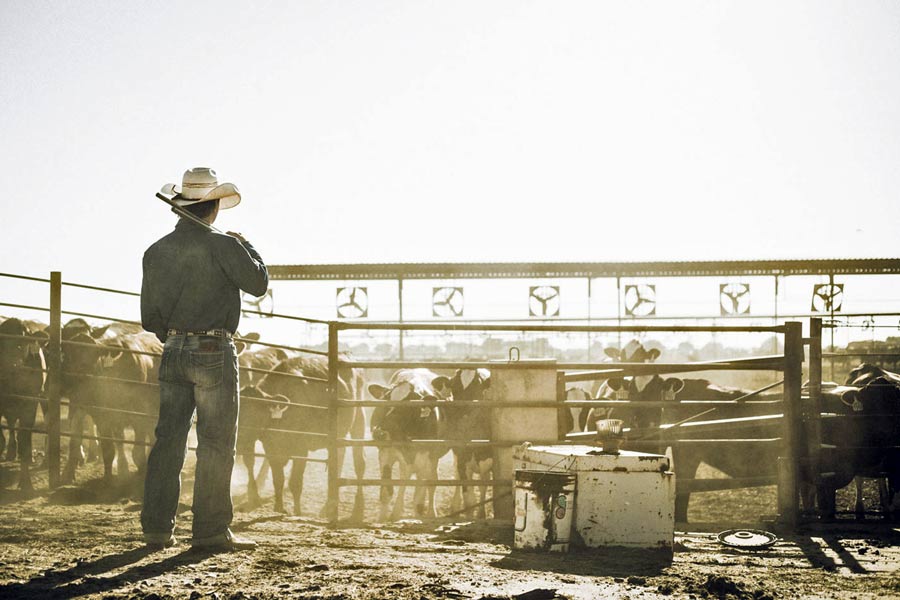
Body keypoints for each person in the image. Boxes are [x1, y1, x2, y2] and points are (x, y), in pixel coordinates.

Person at [140, 167, 268, 551]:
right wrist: (248, 246)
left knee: (168, 439)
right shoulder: (225, 246)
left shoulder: (156, 251)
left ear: (179, 208)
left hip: (173, 348)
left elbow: (150, 319)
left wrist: (177, 338)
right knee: (215, 442)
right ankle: (211, 532)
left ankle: (157, 529)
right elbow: (258, 284)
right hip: (214, 348)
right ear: (213, 207)